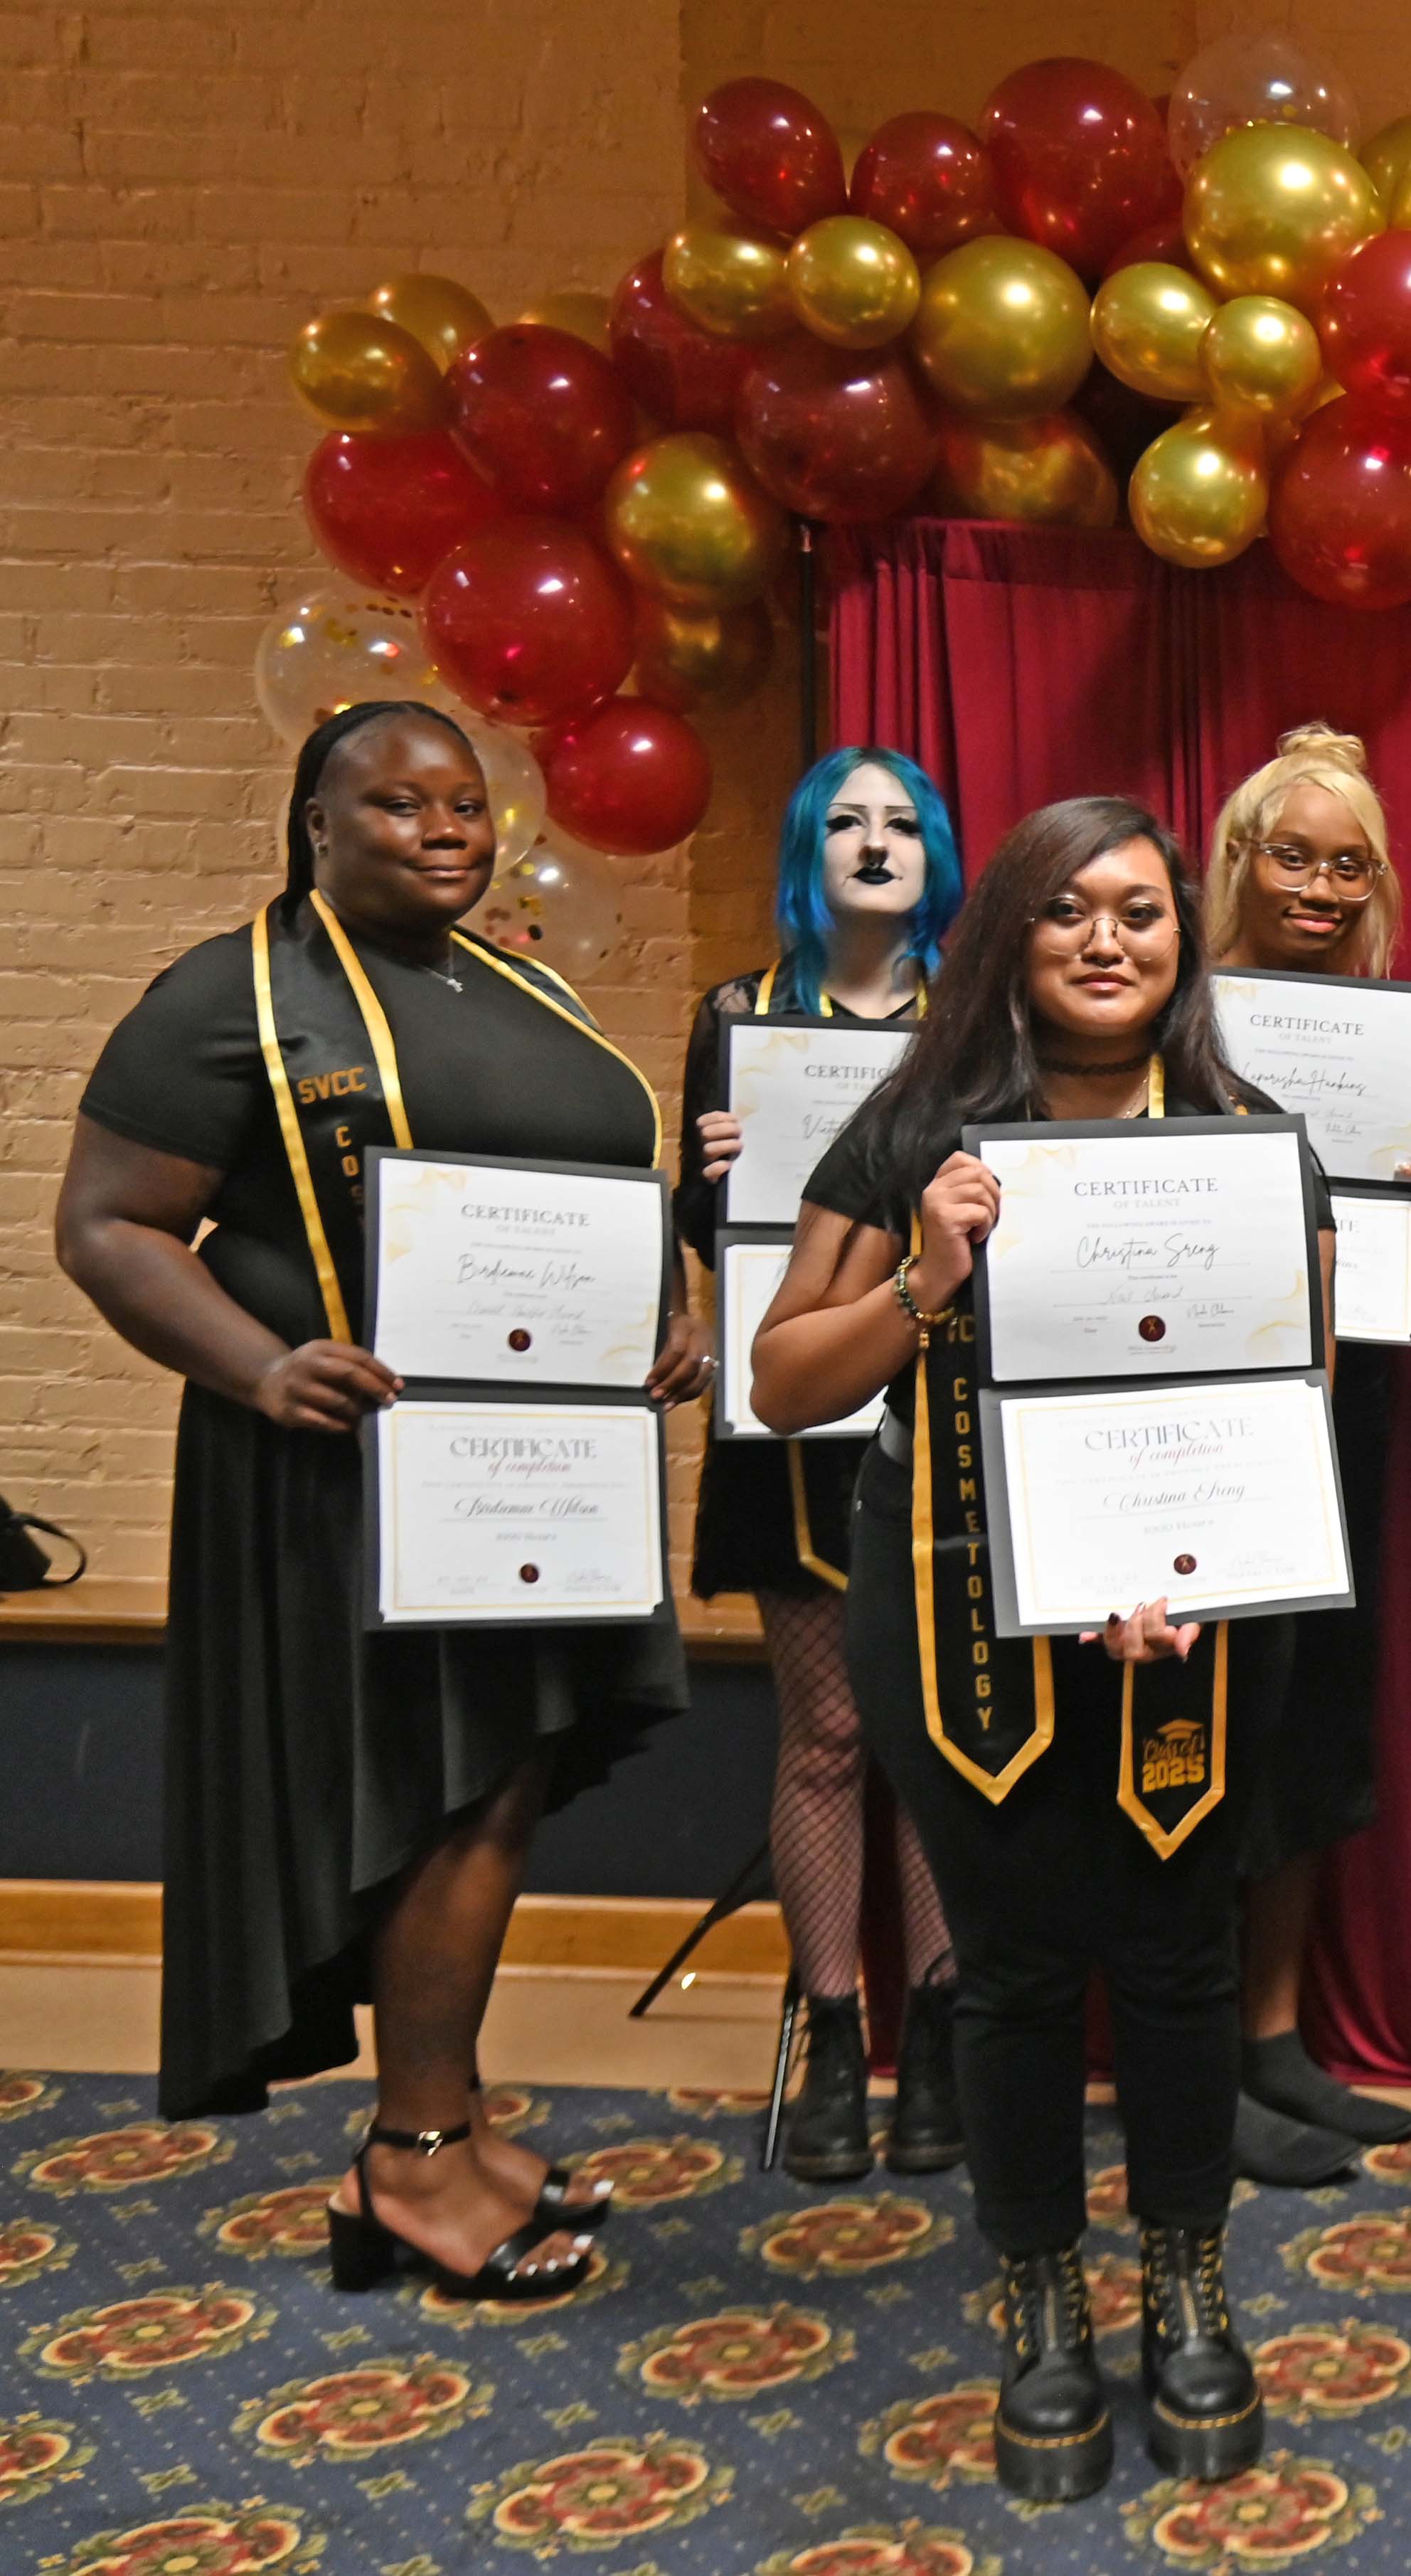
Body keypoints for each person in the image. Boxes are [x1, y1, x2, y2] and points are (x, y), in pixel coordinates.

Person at [54, 702, 703, 2295]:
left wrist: (664, 1302)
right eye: (398, 802)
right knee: (429, 1793)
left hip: (526, 1476)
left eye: (468, 803)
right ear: (315, 823)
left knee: (491, 1791)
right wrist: (264, 1367)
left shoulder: (519, 981)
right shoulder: (230, 998)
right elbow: (111, 1226)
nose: (444, 828)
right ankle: (411, 2162)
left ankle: (448, 2122)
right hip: (345, 1479)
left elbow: (588, 1199)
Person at [749, 797, 1326, 2504]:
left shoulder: (1246, 1134)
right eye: (1067, 909)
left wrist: (1204, 1562)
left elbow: (1286, 1396)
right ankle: (1039, 2300)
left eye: (1140, 913)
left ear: (1180, 940)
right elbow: (785, 1381)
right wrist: (929, 1274)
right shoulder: (916, 1125)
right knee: (1003, 1969)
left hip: (1188, 1621)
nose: (1104, 941)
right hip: (952, 1610)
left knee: (1174, 1956)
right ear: (1009, 930)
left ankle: (1184, 2278)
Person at [679, 747, 967, 2186]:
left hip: (928, 1421)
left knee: (925, 1737)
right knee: (832, 1736)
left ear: (939, 856)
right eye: (845, 820)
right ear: (807, 849)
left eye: (901, 822)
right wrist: (710, 1176)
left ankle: (941, 2034)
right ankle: (837, 2029)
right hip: (786, 1427)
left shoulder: (971, 1027)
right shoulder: (738, 1017)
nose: (874, 841)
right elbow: (702, 1243)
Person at [1198, 725, 1411, 2178]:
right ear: (1238, 864)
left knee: (1303, 1721)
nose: (1324, 887)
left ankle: (1275, 2035)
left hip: (1339, 1414)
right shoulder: (1167, 1020)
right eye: (1296, 855)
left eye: (1351, 863)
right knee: (1205, 1733)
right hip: (1201, 1423)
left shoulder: (1374, 1036)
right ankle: (1199, 2049)